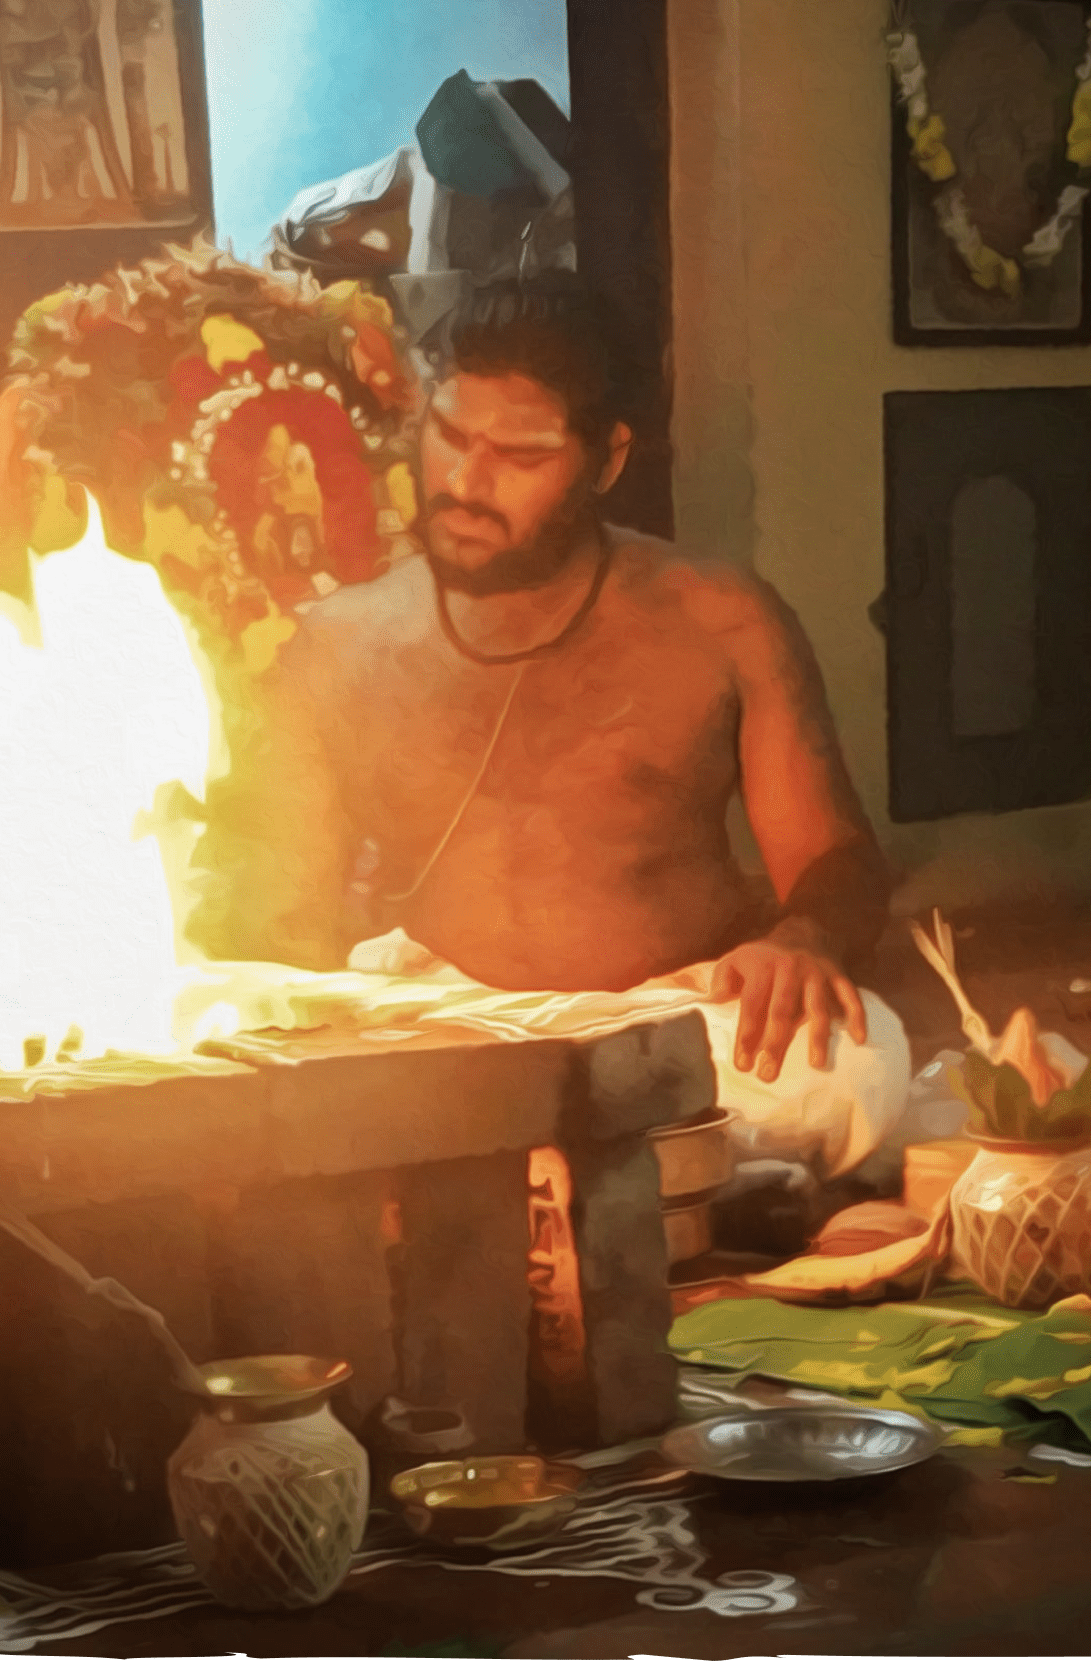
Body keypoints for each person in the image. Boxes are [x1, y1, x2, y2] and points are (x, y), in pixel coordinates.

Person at [208, 283, 908, 1175]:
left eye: (520, 456)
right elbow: (284, 919)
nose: (466, 482)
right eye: (452, 436)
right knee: (226, 1023)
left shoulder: (720, 619)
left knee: (852, 1062)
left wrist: (800, 940)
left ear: (606, 459)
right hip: (444, 1029)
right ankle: (606, 1171)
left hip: (671, 1025)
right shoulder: (336, 643)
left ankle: (525, 1171)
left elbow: (836, 861)